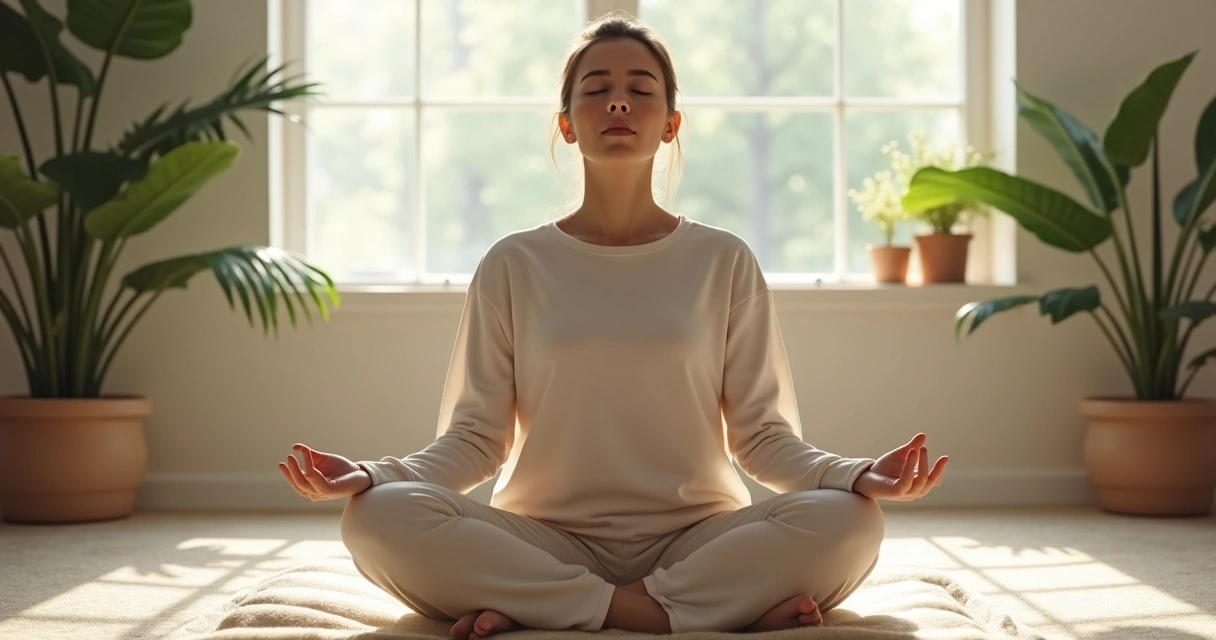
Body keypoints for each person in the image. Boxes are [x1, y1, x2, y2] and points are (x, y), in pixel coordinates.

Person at [279, 13, 948, 639]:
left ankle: (550, 607)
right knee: (377, 517)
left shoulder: (723, 260)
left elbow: (763, 436)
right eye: (596, 90)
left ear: (671, 123)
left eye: (640, 89)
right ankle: (675, 614)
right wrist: (375, 475)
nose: (619, 103)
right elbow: (477, 439)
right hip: (541, 538)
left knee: (850, 521)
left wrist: (856, 475)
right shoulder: (514, 263)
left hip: (698, 539)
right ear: (567, 124)